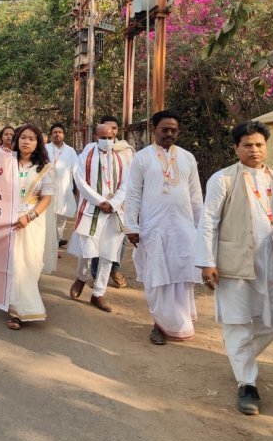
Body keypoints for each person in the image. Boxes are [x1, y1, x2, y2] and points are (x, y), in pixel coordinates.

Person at [195, 121, 273, 415]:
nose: (254, 150)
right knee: (238, 321)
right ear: (236, 148)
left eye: (259, 145)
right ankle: (247, 384)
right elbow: (208, 221)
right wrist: (207, 261)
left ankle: (238, 353)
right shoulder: (222, 179)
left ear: (266, 147)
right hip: (234, 261)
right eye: (247, 145)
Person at [123, 111, 203, 345]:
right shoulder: (142, 158)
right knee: (156, 276)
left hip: (183, 227)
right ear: (153, 129)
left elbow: (196, 195)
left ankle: (179, 321)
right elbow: (133, 193)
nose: (169, 134)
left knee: (181, 273)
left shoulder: (188, 157)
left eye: (173, 130)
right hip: (153, 227)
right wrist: (131, 226)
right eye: (164, 129)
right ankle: (159, 324)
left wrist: (201, 228)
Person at [67, 123, 127, 312]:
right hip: (91, 208)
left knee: (109, 253)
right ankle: (81, 278)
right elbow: (80, 181)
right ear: (96, 138)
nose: (107, 141)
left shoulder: (120, 158)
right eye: (103, 138)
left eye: (110, 138)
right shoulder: (85, 156)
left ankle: (98, 293)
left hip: (113, 211)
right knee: (87, 250)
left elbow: (126, 184)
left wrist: (113, 203)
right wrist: (100, 202)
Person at [7, 124, 54, 330]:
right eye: (23, 137)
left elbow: (46, 198)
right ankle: (16, 311)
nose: (26, 141)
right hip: (8, 220)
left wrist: (29, 217)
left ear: (38, 144)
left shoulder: (44, 168)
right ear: (17, 140)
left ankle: (23, 305)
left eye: (31, 139)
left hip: (32, 222)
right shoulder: (7, 163)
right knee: (14, 264)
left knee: (30, 264)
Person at [91, 115, 135, 288]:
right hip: (99, 203)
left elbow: (132, 178)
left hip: (122, 202)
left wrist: (118, 201)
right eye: (107, 129)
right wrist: (100, 201)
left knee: (120, 238)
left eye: (114, 129)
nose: (111, 132)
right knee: (98, 237)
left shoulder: (126, 150)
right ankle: (96, 273)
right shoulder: (92, 151)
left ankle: (114, 270)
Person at [42, 122, 78, 275]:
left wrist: (77, 190)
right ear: (51, 135)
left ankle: (55, 246)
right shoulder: (45, 149)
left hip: (64, 191)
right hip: (47, 190)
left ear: (64, 135)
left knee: (60, 222)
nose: (57, 134)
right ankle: (48, 249)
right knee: (47, 220)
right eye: (55, 132)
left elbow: (76, 171)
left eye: (60, 132)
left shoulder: (70, 151)